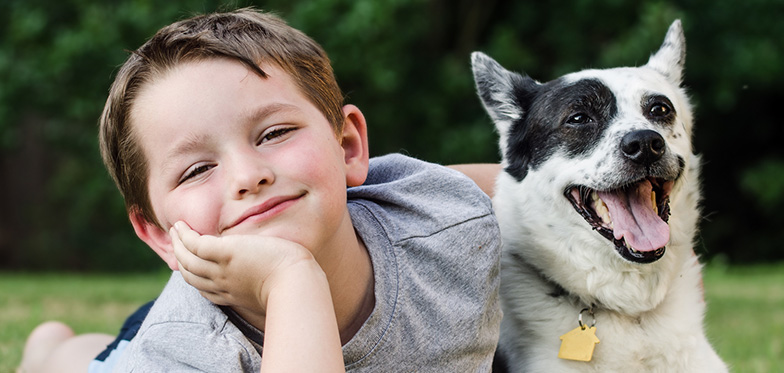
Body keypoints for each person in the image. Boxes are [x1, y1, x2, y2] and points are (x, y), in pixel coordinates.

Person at [18, 8, 502, 372]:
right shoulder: (179, 357)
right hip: (175, 330)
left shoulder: (445, 221)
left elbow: (531, 189)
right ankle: (49, 347)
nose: (248, 176)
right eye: (196, 169)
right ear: (159, 234)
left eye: (274, 134)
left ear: (348, 146)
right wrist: (291, 279)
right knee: (80, 361)